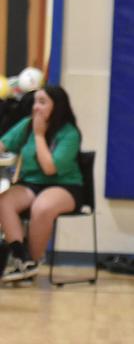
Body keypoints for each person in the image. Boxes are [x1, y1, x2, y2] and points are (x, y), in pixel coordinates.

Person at [0, 86, 81, 282]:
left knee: (42, 207)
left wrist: (38, 136)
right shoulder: (27, 125)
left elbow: (49, 169)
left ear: (57, 106)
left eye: (42, 102)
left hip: (64, 186)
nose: (36, 107)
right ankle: (21, 257)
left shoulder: (69, 133)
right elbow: (3, 144)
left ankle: (33, 263)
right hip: (31, 184)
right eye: (35, 102)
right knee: (4, 201)